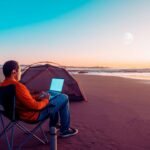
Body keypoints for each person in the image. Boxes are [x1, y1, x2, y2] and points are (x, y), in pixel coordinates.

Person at [0, 60, 78, 138]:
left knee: (52, 99)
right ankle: (65, 130)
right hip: (32, 116)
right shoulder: (17, 86)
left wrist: (38, 96)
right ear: (14, 72)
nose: (20, 73)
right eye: (20, 70)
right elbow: (35, 106)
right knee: (64, 97)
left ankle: (53, 126)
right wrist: (46, 99)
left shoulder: (2, 86)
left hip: (16, 114)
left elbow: (21, 99)